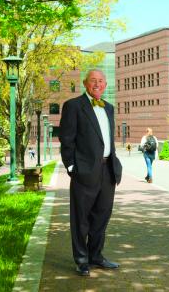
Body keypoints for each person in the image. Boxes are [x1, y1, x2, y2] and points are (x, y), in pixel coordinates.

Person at [59, 69, 122, 277]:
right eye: (93, 81)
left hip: (108, 171)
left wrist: (115, 165)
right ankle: (82, 260)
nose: (97, 84)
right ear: (85, 83)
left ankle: (96, 255)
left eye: (101, 81)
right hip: (84, 172)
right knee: (81, 219)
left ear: (105, 85)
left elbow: (108, 141)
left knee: (101, 216)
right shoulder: (73, 106)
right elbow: (66, 140)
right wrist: (71, 167)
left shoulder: (110, 108)